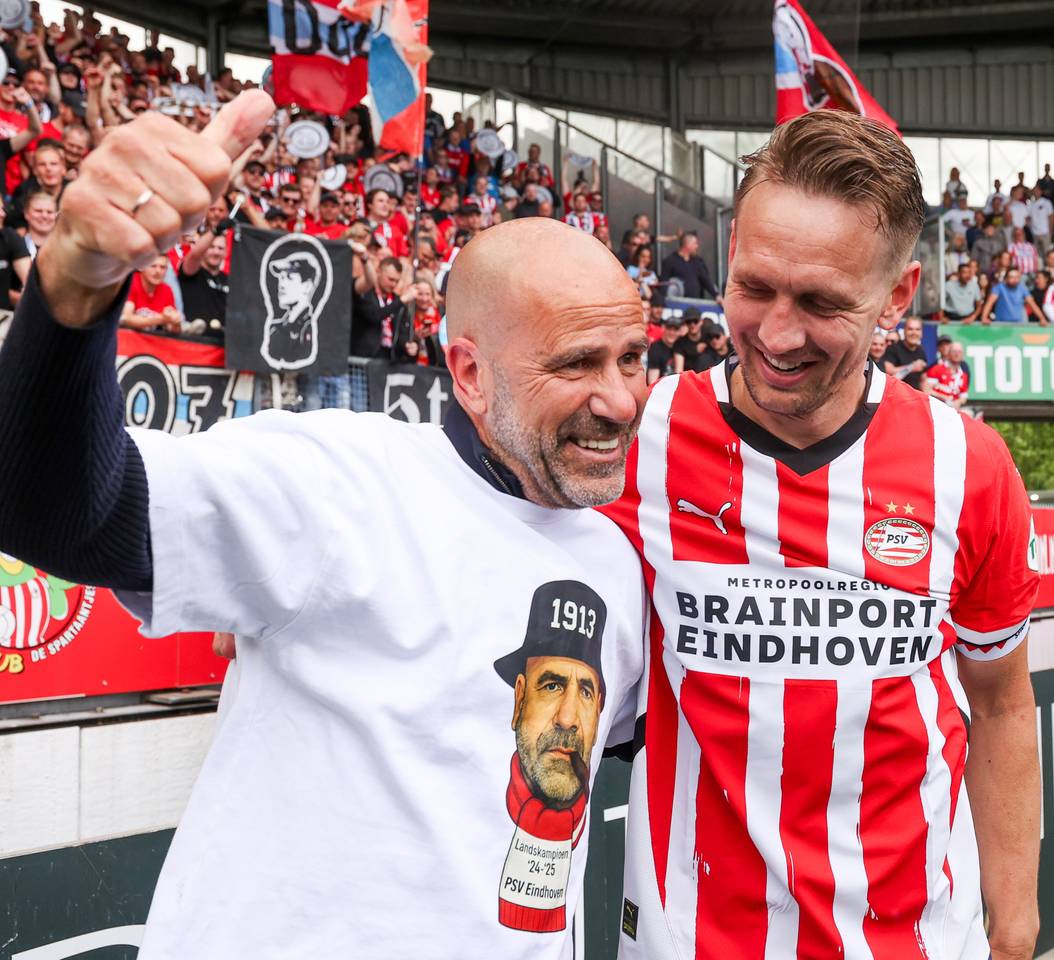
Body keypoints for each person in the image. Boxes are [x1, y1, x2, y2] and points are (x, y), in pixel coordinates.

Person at [0, 93, 651, 959]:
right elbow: (55, 512)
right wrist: (75, 293)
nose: (622, 398)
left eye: (634, 357)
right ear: (468, 371)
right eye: (577, 363)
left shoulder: (613, 560)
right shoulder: (338, 482)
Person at [605, 109, 1041, 960]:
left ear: (899, 296)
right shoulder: (634, 440)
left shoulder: (970, 467)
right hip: (683, 941)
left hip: (918, 941)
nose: (776, 334)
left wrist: (1016, 927)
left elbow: (1001, 702)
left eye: (821, 303)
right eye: (755, 287)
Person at [121, 253, 182, 333]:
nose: (158, 271)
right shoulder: (131, 282)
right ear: (141, 267)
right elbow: (126, 319)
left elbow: (172, 330)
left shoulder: (167, 290)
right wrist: (160, 319)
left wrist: (176, 323)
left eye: (162, 267)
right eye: (153, 266)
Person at [659, 231, 720, 302]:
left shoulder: (697, 262)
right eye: (695, 243)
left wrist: (717, 296)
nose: (697, 246)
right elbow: (663, 284)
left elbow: (706, 280)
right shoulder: (670, 261)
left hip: (696, 305)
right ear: (688, 244)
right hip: (676, 306)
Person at [981, 265, 1048, 324]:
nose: (1015, 280)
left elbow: (1032, 304)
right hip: (1001, 324)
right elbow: (990, 303)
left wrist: (1042, 318)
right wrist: (984, 317)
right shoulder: (999, 288)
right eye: (1012, 277)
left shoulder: (1022, 288)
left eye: (1017, 277)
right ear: (1006, 279)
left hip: (1018, 325)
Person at [882, 314, 929, 389]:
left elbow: (923, 380)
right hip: (896, 394)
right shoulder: (893, 348)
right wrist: (911, 367)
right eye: (910, 329)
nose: (914, 333)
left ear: (921, 332)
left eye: (917, 329)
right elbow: (889, 372)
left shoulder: (921, 351)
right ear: (904, 331)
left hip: (915, 396)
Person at [925, 338, 970, 410]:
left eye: (959, 352)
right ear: (948, 354)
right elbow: (926, 390)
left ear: (963, 355)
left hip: (953, 411)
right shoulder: (937, 369)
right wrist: (944, 398)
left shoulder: (963, 375)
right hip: (936, 408)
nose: (957, 354)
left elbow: (963, 397)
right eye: (954, 351)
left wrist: (958, 402)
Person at [646, 313, 685, 383]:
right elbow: (652, 382)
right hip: (660, 390)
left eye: (675, 330)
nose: (672, 333)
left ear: (679, 332)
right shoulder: (655, 349)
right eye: (669, 328)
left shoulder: (680, 345)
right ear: (663, 328)